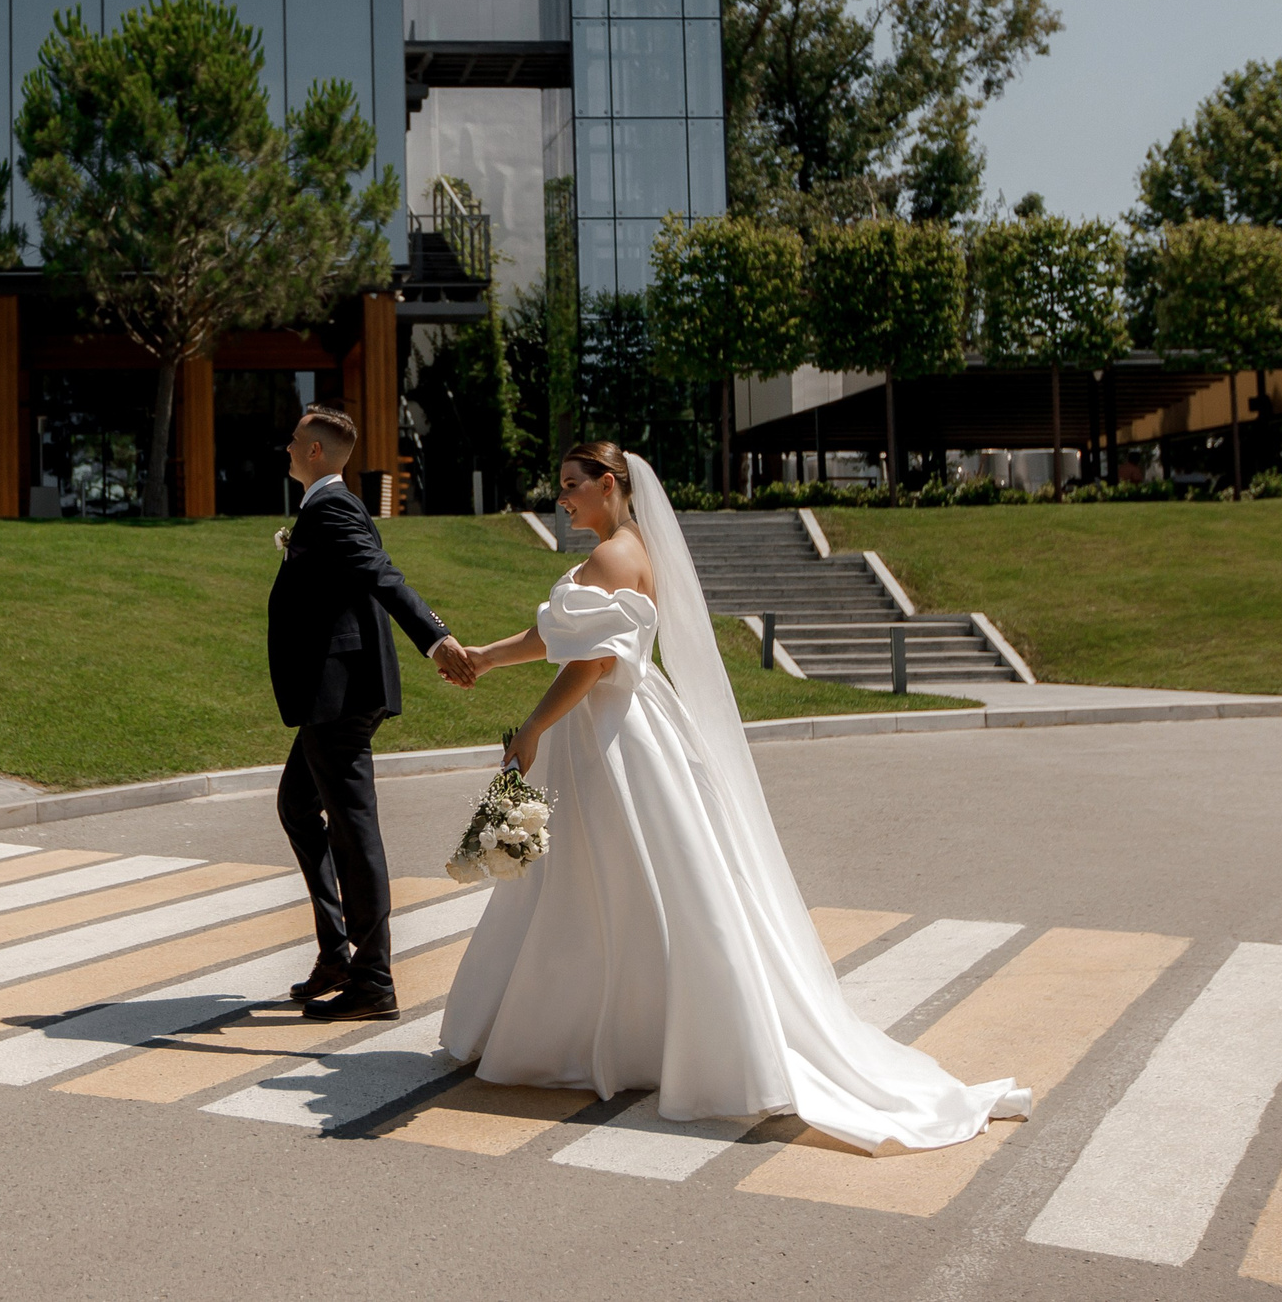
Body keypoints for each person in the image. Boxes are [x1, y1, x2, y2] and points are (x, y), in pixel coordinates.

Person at [439, 442, 1031, 1155]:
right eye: (559, 486)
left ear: (608, 484)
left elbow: (595, 662)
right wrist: (484, 656)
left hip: (607, 734)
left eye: (571, 486)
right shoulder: (628, 550)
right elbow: (557, 636)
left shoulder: (611, 559)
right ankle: (633, 1029)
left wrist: (534, 725)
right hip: (617, 730)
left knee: (607, 887)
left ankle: (610, 1033)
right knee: (633, 885)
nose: (560, 498)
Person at [269, 406, 476, 1021]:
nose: (286, 448)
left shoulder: (331, 508)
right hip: (331, 695)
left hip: (341, 696)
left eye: (294, 441)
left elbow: (383, 575)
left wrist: (437, 639)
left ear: (314, 453)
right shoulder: (325, 506)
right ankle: (337, 951)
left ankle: (373, 977)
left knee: (354, 830)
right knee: (297, 806)